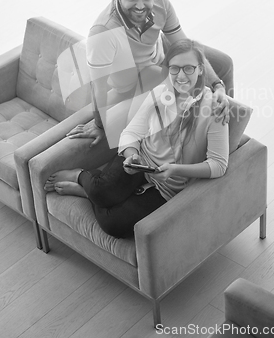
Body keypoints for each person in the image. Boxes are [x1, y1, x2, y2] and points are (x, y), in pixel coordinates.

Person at [44, 39, 229, 238]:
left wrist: (175, 170)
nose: (181, 76)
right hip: (141, 162)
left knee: (113, 223)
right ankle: (80, 176)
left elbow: (218, 164)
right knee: (101, 192)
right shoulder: (160, 93)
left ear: (201, 69)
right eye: (174, 69)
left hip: (169, 185)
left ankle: (85, 192)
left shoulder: (215, 109)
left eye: (189, 68)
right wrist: (132, 155)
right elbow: (132, 133)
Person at [66, 0, 233, 150]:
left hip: (160, 58)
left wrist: (218, 85)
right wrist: (99, 125)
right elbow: (98, 87)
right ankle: (213, 138)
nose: (140, 6)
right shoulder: (103, 33)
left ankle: (226, 122)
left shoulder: (161, 2)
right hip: (135, 83)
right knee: (192, 91)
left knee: (223, 64)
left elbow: (185, 47)